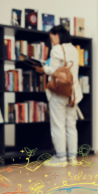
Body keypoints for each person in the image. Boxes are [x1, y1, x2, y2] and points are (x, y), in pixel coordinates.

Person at [34, 25, 83, 167]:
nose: (52, 41)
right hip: (73, 93)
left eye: (52, 38)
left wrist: (42, 69)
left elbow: (54, 71)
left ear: (58, 35)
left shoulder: (56, 49)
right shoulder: (74, 49)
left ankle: (60, 158)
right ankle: (72, 158)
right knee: (71, 126)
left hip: (59, 92)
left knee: (58, 125)